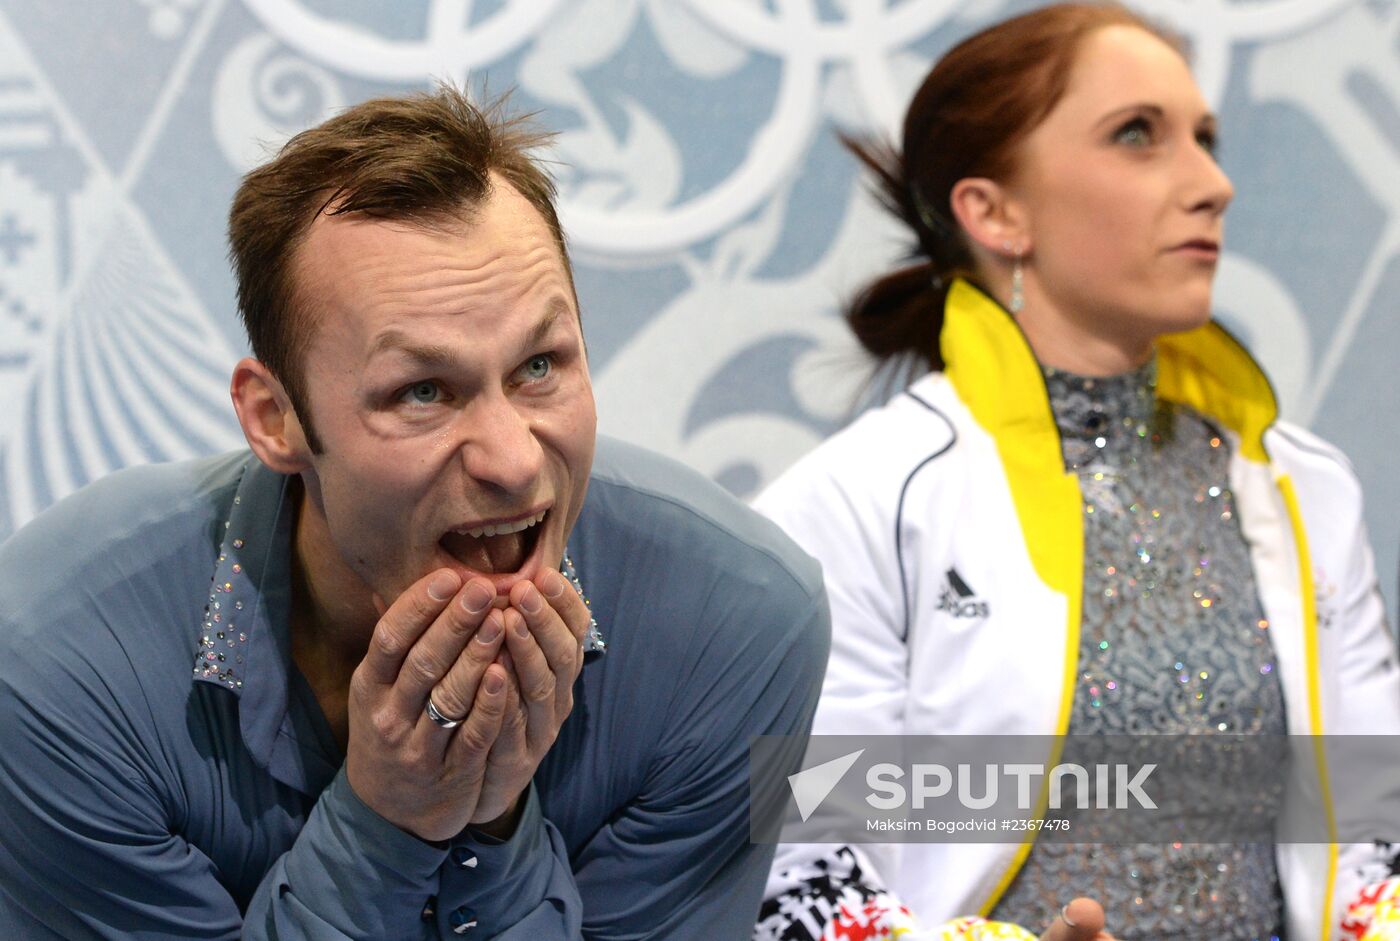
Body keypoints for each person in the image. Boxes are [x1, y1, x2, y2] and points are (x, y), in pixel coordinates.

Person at [0, 86, 830, 939]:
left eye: (540, 365)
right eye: (423, 391)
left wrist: (496, 818)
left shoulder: (735, 626)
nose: (513, 462)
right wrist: (388, 824)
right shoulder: (57, 665)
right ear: (275, 418)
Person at [751, 3, 1400, 940]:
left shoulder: (1307, 487)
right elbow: (794, 867)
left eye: (1205, 138)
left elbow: (1375, 825)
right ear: (994, 211)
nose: (1213, 183)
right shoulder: (854, 501)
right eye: (1138, 134)